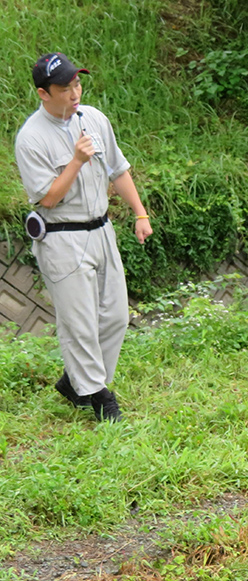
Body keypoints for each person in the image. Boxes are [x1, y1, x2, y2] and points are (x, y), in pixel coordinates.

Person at [14, 53, 153, 422]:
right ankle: (99, 397)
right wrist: (75, 160)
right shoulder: (31, 138)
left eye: (77, 83)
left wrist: (140, 213)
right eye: (65, 88)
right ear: (44, 93)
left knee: (116, 316)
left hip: (102, 228)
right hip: (61, 236)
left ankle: (76, 383)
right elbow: (47, 197)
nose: (75, 92)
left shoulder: (94, 118)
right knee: (80, 323)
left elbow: (117, 170)